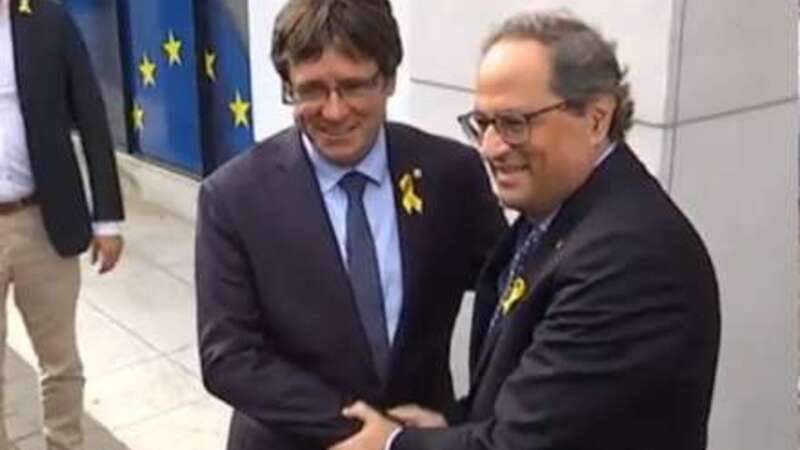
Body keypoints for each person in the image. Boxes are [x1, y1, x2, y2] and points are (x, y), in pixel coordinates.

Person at [332, 10, 720, 450]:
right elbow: (530, 405)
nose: (490, 148)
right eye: (483, 124)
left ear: (596, 119)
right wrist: (443, 428)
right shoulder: (555, 215)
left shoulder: (629, 259)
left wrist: (395, 445)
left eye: (514, 124)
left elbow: (521, 442)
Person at [194, 1, 506, 449]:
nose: (335, 111)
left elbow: (511, 300)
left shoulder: (451, 173)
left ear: (389, 79)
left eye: (355, 86)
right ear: (287, 86)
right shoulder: (232, 197)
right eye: (311, 90)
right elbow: (228, 357)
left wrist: (473, 417)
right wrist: (373, 437)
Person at [0, 0, 125, 449]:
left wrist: (107, 218)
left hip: (41, 222)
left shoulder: (48, 20)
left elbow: (91, 116)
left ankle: (65, 443)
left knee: (60, 362)